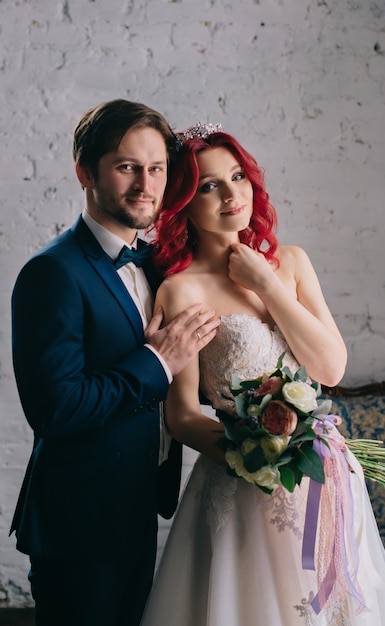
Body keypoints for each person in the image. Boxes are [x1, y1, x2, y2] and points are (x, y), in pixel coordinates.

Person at [139, 123, 385, 625]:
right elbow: (180, 417)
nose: (231, 194)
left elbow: (330, 368)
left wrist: (266, 283)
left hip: (324, 475)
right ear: (181, 202)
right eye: (208, 185)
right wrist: (253, 451)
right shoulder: (178, 291)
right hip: (242, 485)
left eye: (238, 176)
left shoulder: (290, 263)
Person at [9, 100, 220, 626]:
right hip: (79, 524)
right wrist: (155, 360)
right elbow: (56, 410)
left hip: (138, 508)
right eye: (127, 167)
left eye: (157, 169)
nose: (145, 185)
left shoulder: (158, 263)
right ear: (85, 172)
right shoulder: (51, 273)